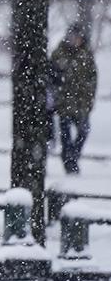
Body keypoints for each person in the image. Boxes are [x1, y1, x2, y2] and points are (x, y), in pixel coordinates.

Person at [51, 24, 98, 175]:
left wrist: (89, 98)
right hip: (64, 102)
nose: (75, 40)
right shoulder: (59, 53)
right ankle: (68, 161)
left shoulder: (86, 54)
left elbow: (92, 78)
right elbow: (52, 76)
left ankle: (73, 157)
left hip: (81, 102)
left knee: (83, 131)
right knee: (66, 135)